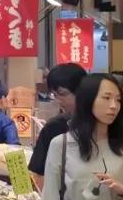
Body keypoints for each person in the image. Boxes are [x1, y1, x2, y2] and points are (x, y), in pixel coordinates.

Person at [28, 62, 87, 190]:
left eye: (62, 94)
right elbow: (38, 173)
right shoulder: (54, 127)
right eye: (55, 95)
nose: (58, 100)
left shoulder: (101, 125)